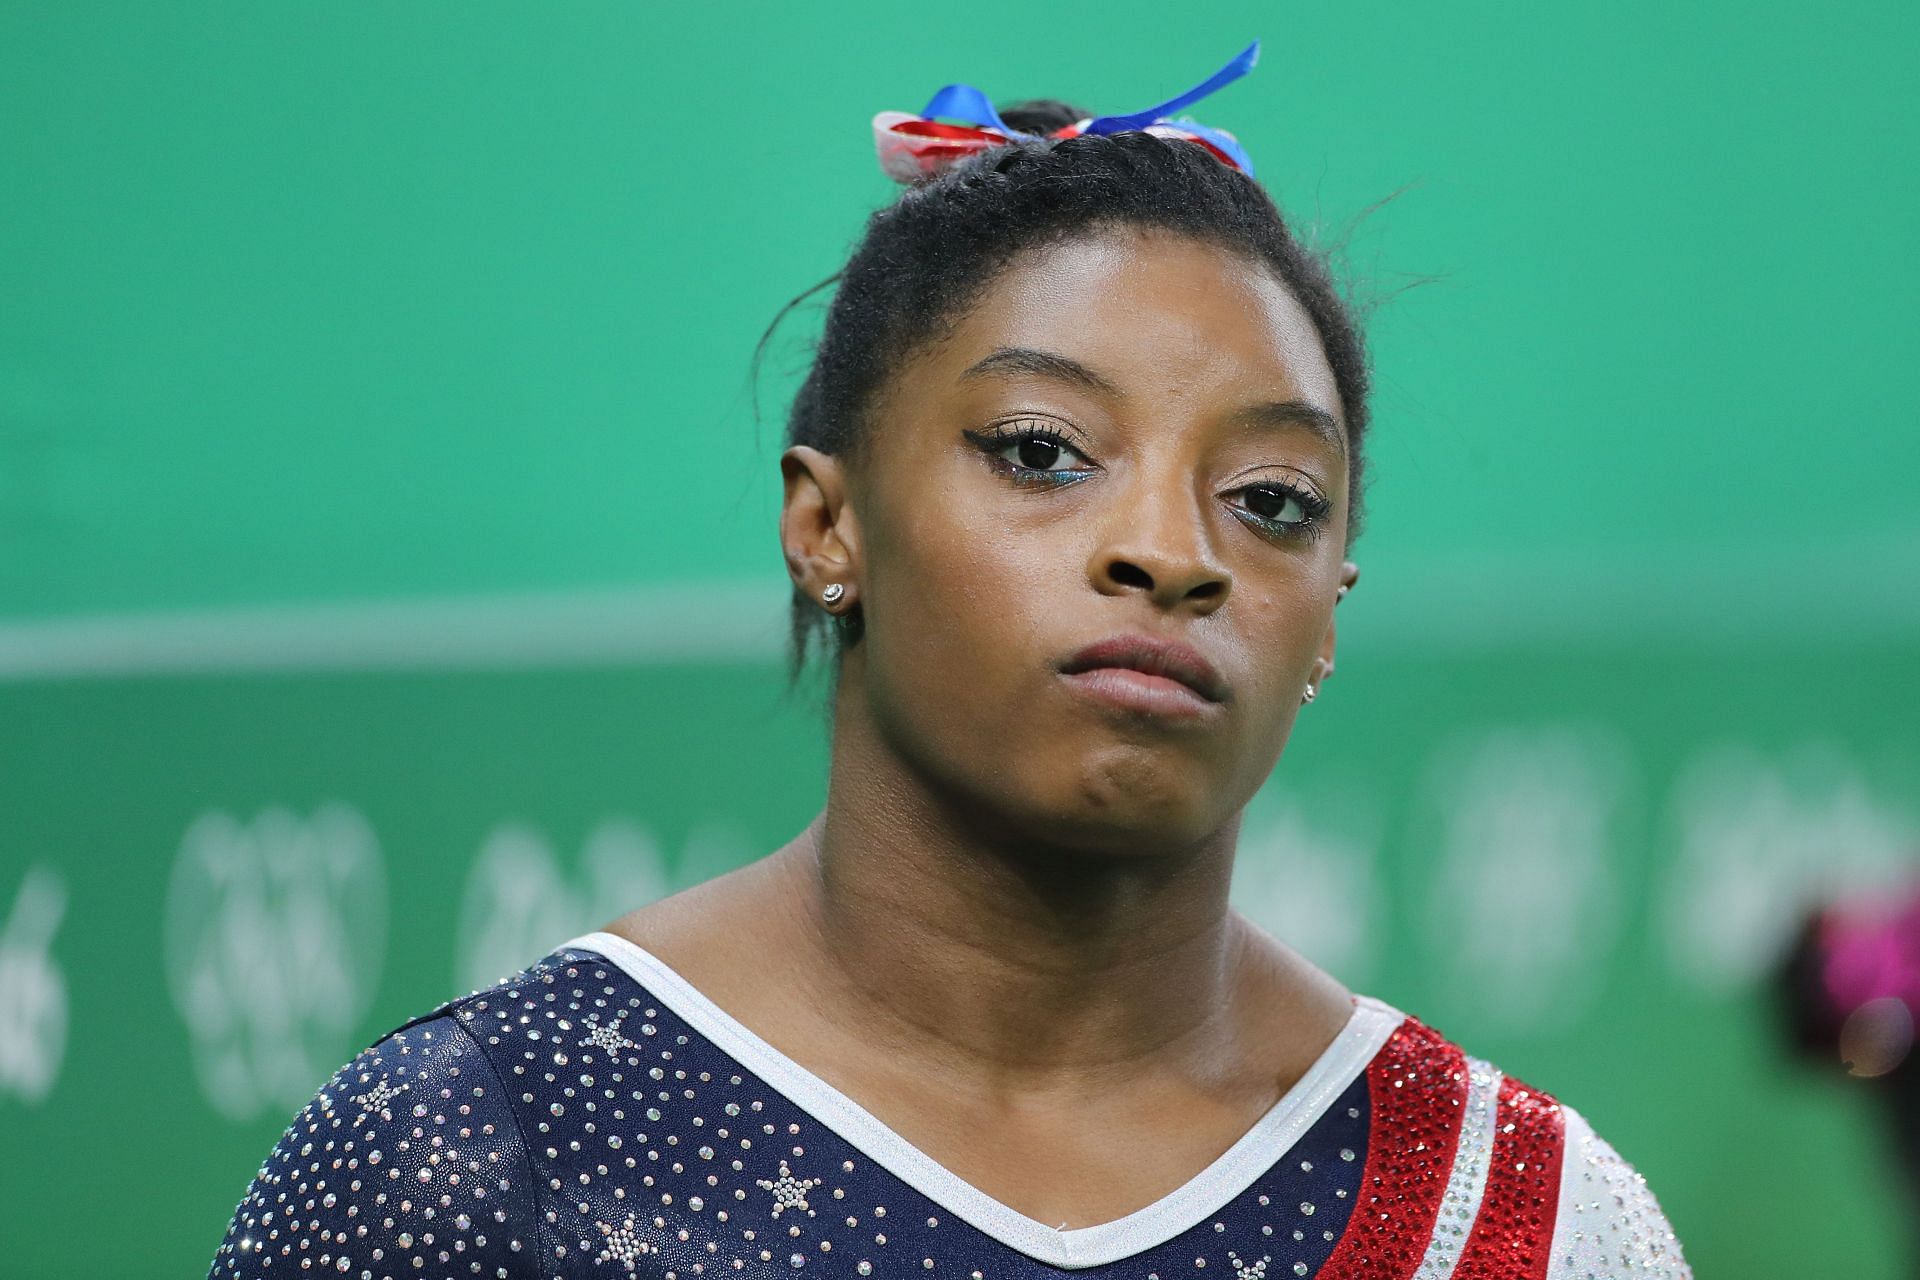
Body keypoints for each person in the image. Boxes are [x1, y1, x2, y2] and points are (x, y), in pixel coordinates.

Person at [207, 43, 1690, 1280]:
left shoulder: (1528, 1217)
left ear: (1332, 609)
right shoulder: (493, 1152)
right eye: (1043, 453)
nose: (1174, 553)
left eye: (1273, 502)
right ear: (827, 524)